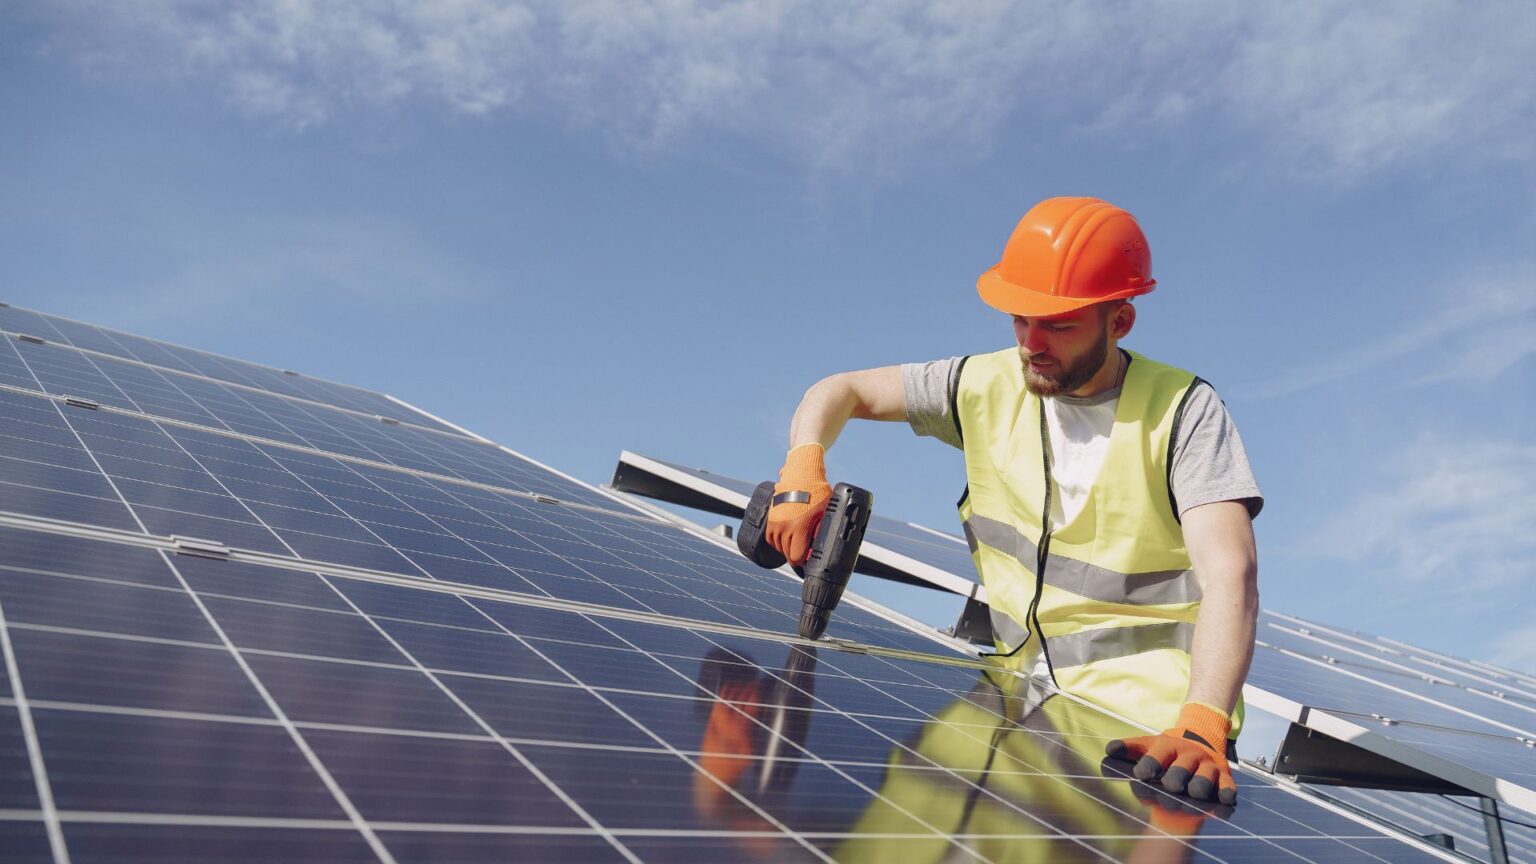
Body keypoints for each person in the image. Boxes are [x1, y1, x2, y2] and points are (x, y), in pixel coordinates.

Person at [763, 196, 1261, 805]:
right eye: (1021, 319)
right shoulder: (984, 384)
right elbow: (840, 389)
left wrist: (1203, 721)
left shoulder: (1184, 411)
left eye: (1059, 324)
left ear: (1120, 321)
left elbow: (1230, 572)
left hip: (1150, 739)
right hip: (1017, 701)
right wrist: (802, 462)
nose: (1032, 343)